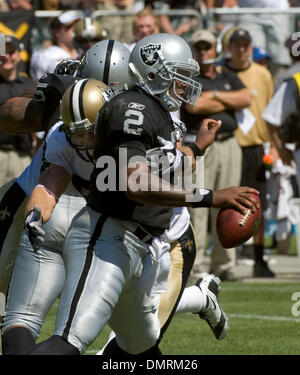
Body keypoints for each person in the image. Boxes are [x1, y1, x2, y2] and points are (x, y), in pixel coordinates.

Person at [25, 33, 259, 355]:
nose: (185, 83)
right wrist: (209, 197)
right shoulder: (131, 109)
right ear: (154, 72)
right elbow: (136, 182)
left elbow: (165, 164)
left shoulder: (158, 112)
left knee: (140, 348)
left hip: (146, 245)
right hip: (110, 237)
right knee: (70, 340)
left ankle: (201, 297)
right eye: (179, 74)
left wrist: (196, 149)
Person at [180, 29, 252, 281]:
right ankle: (196, 263)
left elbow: (246, 98)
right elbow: (193, 105)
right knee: (198, 203)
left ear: (215, 49)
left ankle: (224, 263)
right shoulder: (189, 77)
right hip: (201, 145)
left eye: (207, 47)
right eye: (198, 47)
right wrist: (226, 100)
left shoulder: (226, 74)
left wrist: (215, 96)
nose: (203, 51)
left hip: (229, 143)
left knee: (230, 200)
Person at [224, 27, 277, 277]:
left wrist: (274, 146)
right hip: (230, 145)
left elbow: (270, 113)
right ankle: (227, 258)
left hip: (256, 146)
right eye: (237, 44)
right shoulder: (223, 72)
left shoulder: (263, 74)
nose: (242, 48)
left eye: (246, 44)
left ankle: (259, 257)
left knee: (258, 204)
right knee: (227, 203)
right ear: (230, 47)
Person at [0, 34, 35, 186]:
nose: (6, 56)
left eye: (11, 51)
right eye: (2, 52)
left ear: (19, 55)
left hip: (23, 157)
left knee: (21, 205)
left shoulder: (30, 86)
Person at [29, 11, 80, 81]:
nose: (74, 31)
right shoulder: (47, 55)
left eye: (75, 27)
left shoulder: (79, 51)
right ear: (57, 33)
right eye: (69, 28)